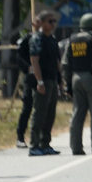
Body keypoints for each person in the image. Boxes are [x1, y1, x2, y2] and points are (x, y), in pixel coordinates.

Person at [63, 13, 92, 155]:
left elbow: (65, 63)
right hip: (90, 78)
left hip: (75, 78)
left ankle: (76, 147)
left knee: (77, 113)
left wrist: (67, 84)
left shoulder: (71, 40)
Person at [28, 11, 62, 156]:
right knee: (39, 113)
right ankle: (34, 145)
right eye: (50, 21)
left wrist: (60, 82)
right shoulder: (37, 38)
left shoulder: (53, 40)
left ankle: (45, 143)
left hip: (53, 80)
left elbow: (57, 62)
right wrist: (39, 81)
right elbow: (34, 61)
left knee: (50, 113)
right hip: (43, 81)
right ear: (42, 23)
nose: (53, 24)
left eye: (54, 21)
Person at [14, 16, 40, 148]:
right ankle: (20, 136)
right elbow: (19, 56)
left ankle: (40, 138)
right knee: (27, 107)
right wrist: (28, 68)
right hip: (31, 79)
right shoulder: (28, 39)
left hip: (44, 78)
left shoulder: (47, 39)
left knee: (42, 108)